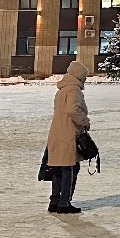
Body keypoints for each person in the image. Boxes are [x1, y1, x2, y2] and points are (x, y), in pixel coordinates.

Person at [47, 60, 91, 214]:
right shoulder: (74, 90)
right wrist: (85, 122)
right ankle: (64, 203)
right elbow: (73, 110)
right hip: (68, 133)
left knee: (58, 168)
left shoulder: (62, 90)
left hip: (57, 132)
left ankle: (54, 201)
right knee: (69, 168)